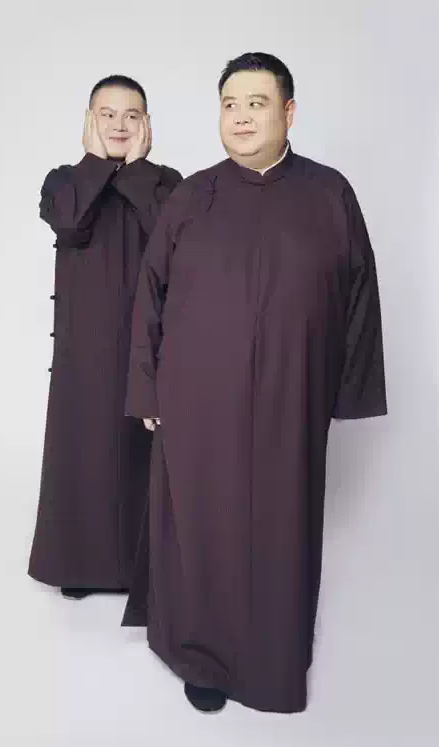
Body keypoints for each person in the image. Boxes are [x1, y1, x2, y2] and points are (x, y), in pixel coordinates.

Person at [123, 53, 387, 713]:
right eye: (230, 104)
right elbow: (148, 296)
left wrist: (344, 392)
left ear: (288, 113)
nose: (241, 117)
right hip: (195, 401)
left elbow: (361, 294)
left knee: (280, 526)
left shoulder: (330, 194)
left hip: (289, 399)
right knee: (201, 527)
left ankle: (275, 651)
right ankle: (202, 655)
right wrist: (147, 389)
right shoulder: (191, 196)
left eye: (257, 103)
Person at [28, 75, 182, 600]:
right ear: (89, 120)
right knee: (84, 456)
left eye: (131, 115)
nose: (120, 124)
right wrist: (96, 163)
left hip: (151, 346)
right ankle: (81, 565)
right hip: (85, 350)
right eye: (108, 114)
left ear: (146, 124)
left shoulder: (166, 183)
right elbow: (69, 223)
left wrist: (136, 171)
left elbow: (173, 239)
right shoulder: (64, 180)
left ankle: (144, 571)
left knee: (145, 459)